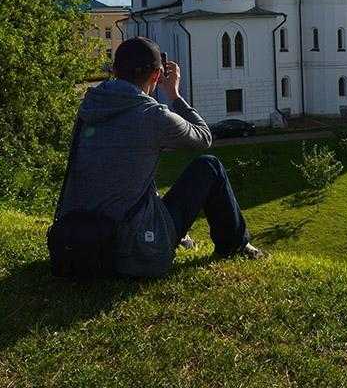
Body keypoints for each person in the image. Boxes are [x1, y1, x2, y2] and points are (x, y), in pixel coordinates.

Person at [57, 36, 262, 277]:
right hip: (131, 253)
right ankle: (234, 244)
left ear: (114, 70)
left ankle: (181, 237)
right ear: (156, 76)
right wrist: (174, 95)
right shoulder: (153, 116)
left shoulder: (90, 106)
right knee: (209, 167)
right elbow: (203, 137)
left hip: (74, 244)